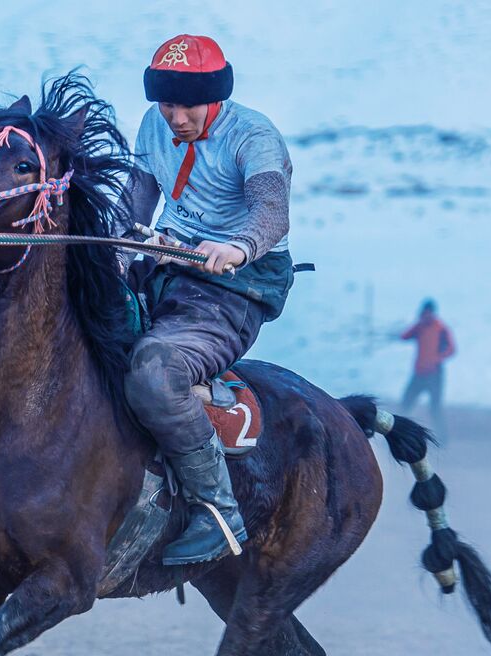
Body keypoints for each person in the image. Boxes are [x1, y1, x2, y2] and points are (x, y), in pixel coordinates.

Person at [120, 33, 295, 565]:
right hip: (166, 268)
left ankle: (218, 510)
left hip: (234, 288)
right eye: (166, 103)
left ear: (215, 97)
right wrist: (114, 250)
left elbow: (271, 211)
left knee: (154, 371)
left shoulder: (254, 136)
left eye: (187, 105)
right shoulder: (154, 125)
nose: (175, 117)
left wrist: (238, 246)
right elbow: (134, 204)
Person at [399, 299, 456, 440]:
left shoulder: (441, 328)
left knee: (435, 408)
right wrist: (418, 324)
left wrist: (438, 358)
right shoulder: (420, 327)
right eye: (423, 314)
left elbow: (452, 349)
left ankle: (443, 438)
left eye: (427, 314)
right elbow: (404, 336)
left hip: (435, 375)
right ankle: (402, 432)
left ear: (432, 313)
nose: (425, 316)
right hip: (419, 373)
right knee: (406, 401)